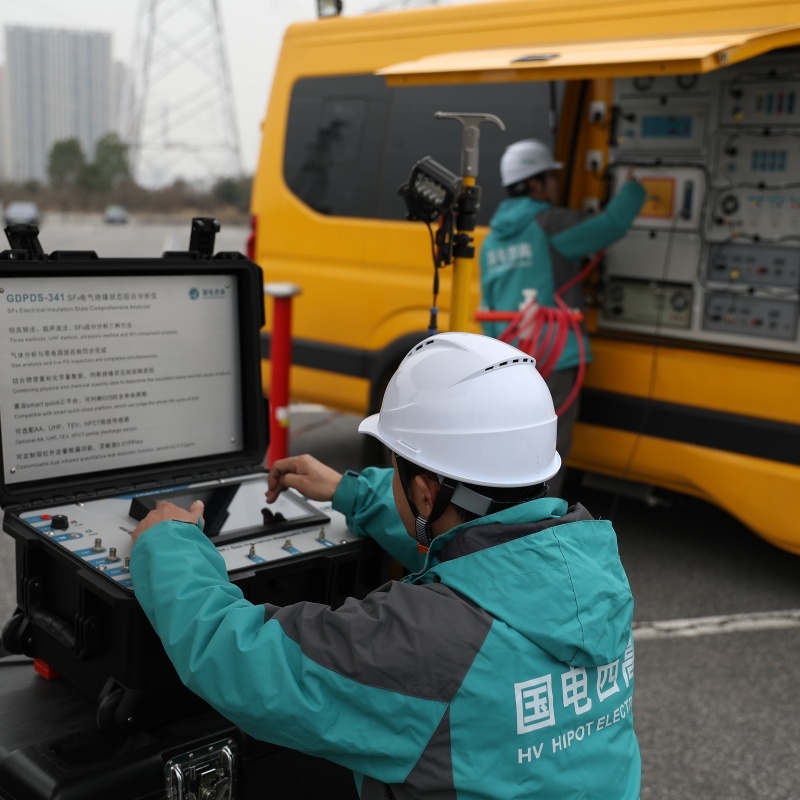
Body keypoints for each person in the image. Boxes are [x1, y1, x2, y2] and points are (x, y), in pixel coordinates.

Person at [129, 332, 640, 799]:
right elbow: (488, 550)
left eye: (393, 468)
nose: (392, 478)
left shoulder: (428, 640)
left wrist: (169, 546)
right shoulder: (594, 568)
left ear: (425, 493)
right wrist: (350, 492)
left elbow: (242, 661)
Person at [480, 139, 646, 495]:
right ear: (535, 183)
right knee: (548, 450)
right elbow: (612, 224)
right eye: (552, 178)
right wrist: (636, 184)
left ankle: (504, 511)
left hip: (508, 359)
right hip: (553, 359)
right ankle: (539, 519)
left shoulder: (492, 240)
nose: (556, 185)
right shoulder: (550, 223)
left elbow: (488, 308)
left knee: (512, 443)